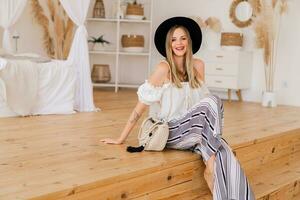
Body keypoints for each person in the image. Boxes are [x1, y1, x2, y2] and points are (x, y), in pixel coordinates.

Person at [100, 16, 254, 200]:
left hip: (195, 131)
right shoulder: (163, 69)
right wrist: (120, 138)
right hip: (171, 132)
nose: (178, 43)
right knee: (213, 101)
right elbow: (139, 108)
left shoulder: (198, 66)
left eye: (182, 38)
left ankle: (221, 186)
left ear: (189, 41)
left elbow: (204, 109)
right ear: (168, 44)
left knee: (225, 152)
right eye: (173, 39)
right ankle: (210, 167)